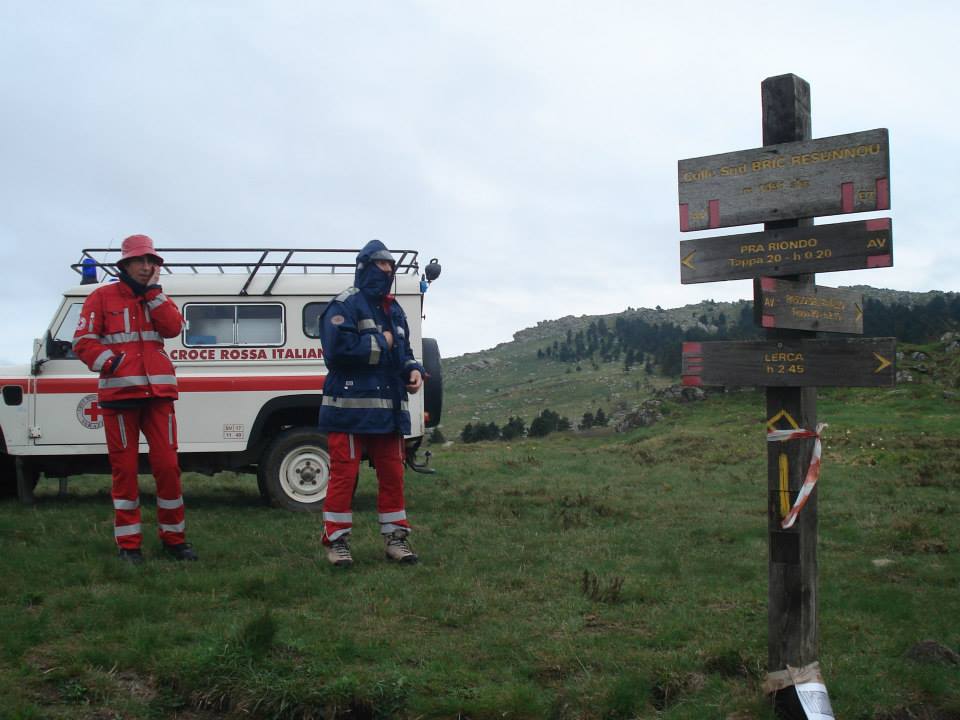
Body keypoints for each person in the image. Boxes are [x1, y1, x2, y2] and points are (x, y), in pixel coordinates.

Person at [73, 234, 198, 563]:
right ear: (125, 265)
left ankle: (175, 540)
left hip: (158, 398)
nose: (146, 267)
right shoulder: (100, 298)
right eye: (140, 261)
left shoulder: (159, 298)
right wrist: (111, 364)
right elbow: (83, 343)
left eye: (152, 262)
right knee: (124, 471)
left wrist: (154, 295)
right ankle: (129, 546)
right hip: (119, 399)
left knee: (168, 468)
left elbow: (172, 329)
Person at [318, 239, 425, 567]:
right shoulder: (344, 305)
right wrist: (383, 341)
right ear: (365, 267)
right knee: (343, 477)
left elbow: (403, 352)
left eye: (391, 266)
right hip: (348, 411)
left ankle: (396, 539)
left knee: (393, 475)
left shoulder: (395, 310)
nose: (389, 270)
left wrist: (413, 370)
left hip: (389, 411)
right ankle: (336, 542)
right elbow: (337, 352)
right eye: (382, 265)